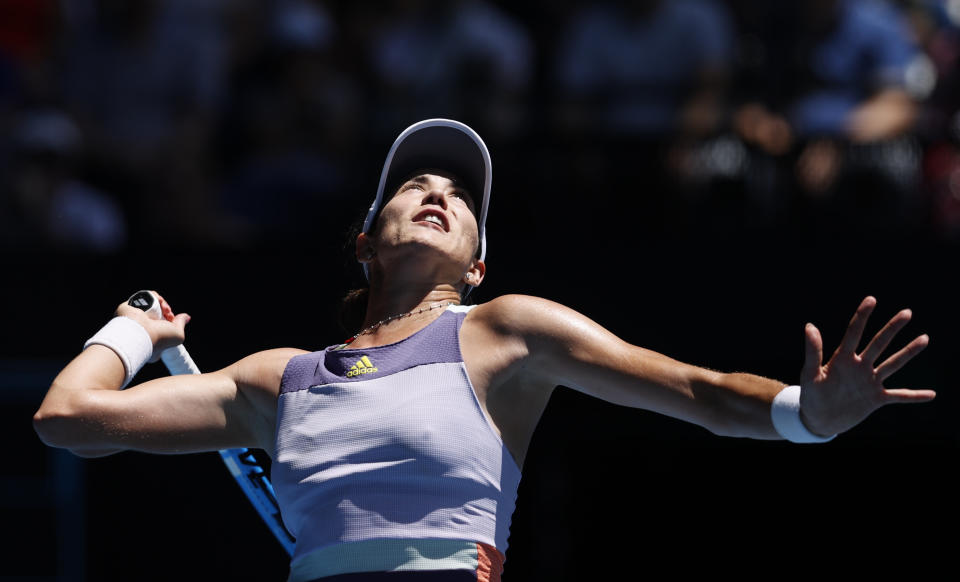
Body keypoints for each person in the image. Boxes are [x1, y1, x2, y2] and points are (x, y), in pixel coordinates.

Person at [33, 119, 935, 582]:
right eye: (412, 186)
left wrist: (807, 417)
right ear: (365, 239)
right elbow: (69, 420)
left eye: (460, 196)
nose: (438, 193)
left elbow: (698, 392)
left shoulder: (506, 332)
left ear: (478, 262)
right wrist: (132, 330)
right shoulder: (280, 381)